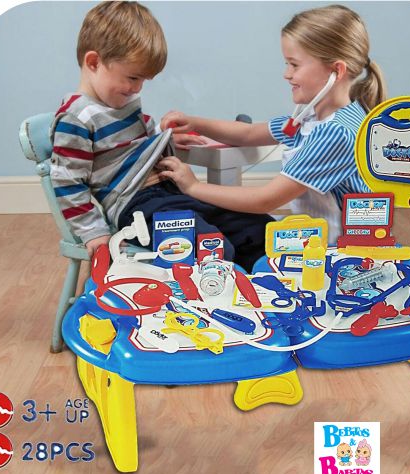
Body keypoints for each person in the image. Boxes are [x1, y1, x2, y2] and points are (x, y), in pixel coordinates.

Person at [50, 1, 273, 272]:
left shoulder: (122, 102)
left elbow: (134, 145)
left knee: (256, 227)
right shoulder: (76, 118)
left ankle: (265, 283)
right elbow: (67, 182)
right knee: (210, 246)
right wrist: (93, 232)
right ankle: (219, 286)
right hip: (136, 205)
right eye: (133, 78)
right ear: (94, 62)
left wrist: (164, 140)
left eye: (143, 80)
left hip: (170, 191)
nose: (137, 88)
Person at [158, 5, 386, 244]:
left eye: (294, 65)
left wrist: (193, 187)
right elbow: (248, 133)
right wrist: (193, 122)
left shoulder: (336, 132)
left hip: (343, 251)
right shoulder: (310, 117)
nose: (286, 74)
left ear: (336, 71)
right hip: (316, 239)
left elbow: (266, 200)